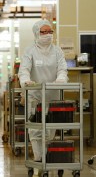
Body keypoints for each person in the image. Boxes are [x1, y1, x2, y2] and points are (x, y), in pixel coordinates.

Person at [18, 19, 68, 161]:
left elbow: (62, 68)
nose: (47, 35)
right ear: (36, 33)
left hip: (53, 95)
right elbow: (24, 70)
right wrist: (25, 81)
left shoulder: (57, 50)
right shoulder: (30, 51)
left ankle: (47, 156)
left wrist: (61, 79)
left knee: (50, 127)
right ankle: (39, 158)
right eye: (43, 32)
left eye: (50, 31)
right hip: (35, 95)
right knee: (35, 127)